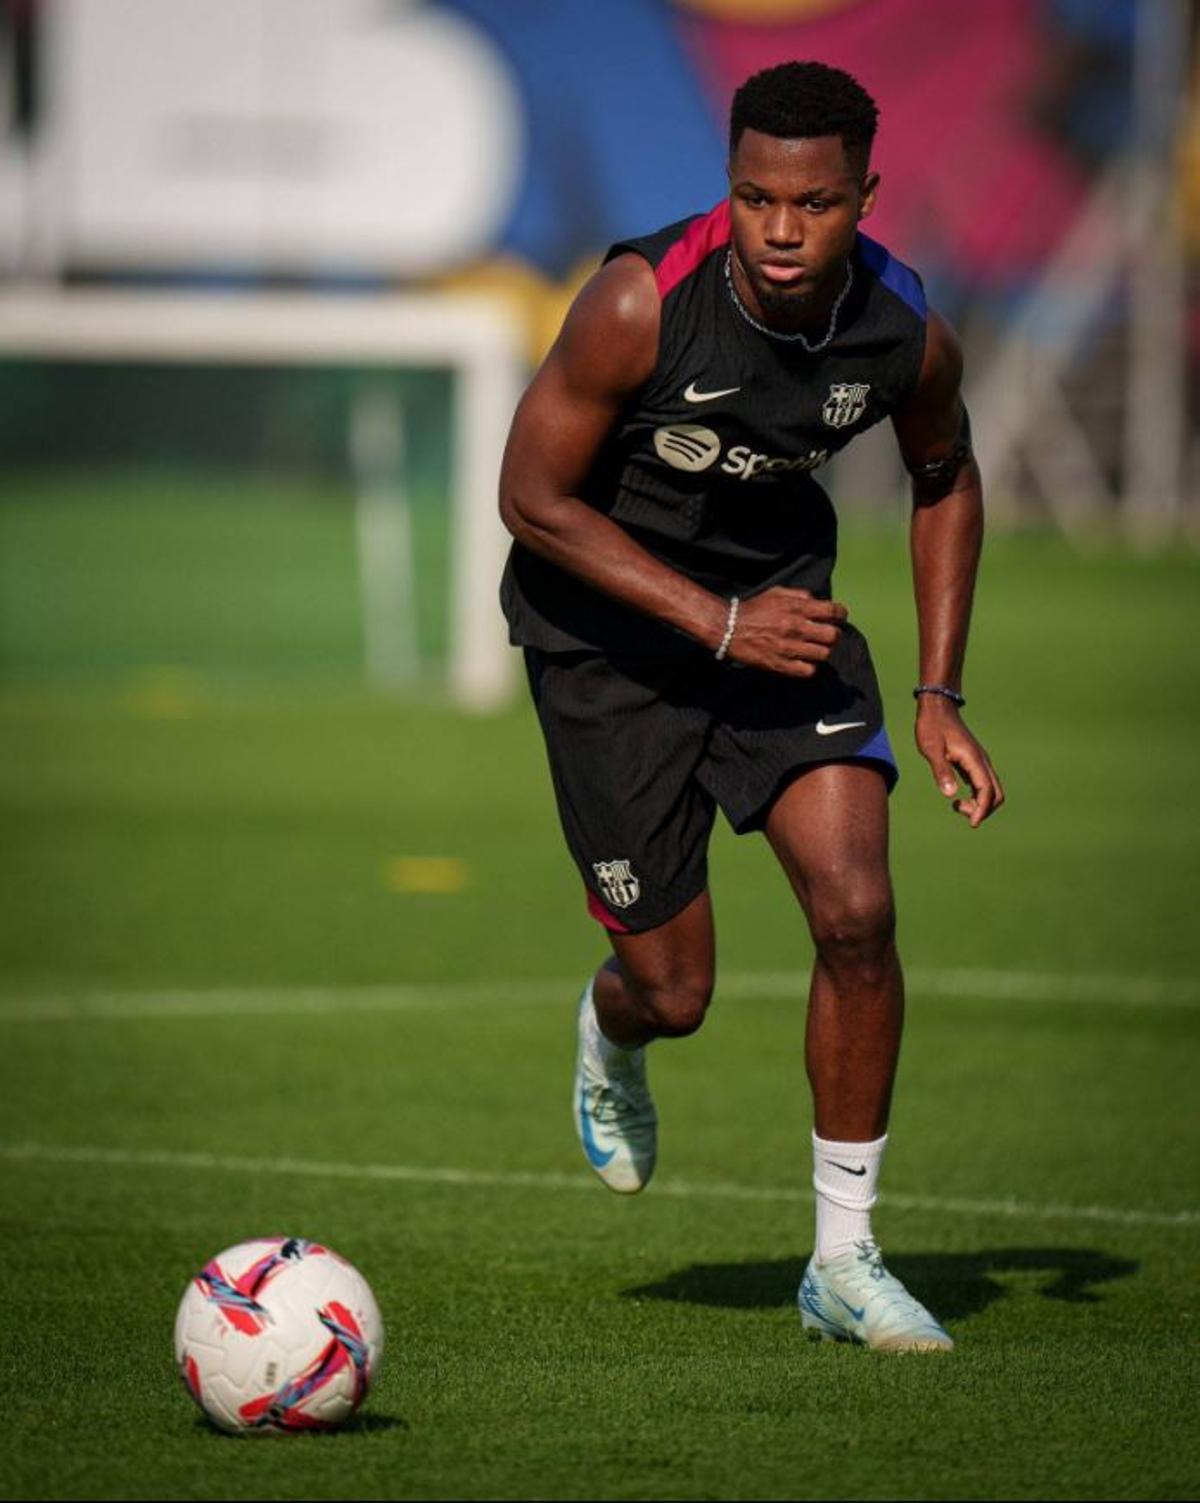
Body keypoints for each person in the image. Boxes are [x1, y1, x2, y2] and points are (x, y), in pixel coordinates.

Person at [498, 60, 1004, 1353]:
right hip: (608, 648)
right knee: (678, 992)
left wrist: (938, 692)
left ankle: (842, 1261)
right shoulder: (635, 304)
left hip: (782, 622)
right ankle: (612, 1030)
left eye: (814, 205)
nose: (780, 232)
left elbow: (944, 475)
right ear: (728, 188)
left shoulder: (902, 327)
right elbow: (530, 498)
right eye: (754, 199)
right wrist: (712, 620)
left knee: (858, 910)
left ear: (863, 198)